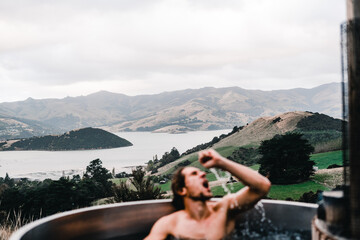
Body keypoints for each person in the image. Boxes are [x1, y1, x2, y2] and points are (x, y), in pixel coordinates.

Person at [144, 149, 271, 240]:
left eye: (202, 173)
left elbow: (262, 187)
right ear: (182, 190)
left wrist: (221, 162)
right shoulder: (169, 223)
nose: (203, 174)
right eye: (194, 174)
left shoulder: (224, 209)